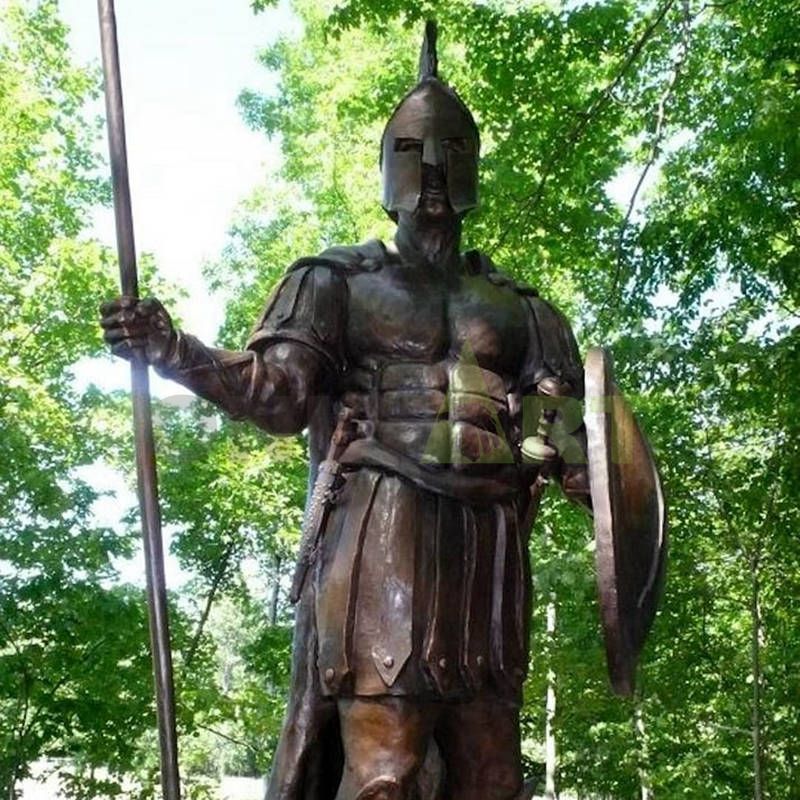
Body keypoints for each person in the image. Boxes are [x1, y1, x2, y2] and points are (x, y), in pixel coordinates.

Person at [101, 22, 592, 800]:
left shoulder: (524, 311)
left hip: (488, 552)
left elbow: (559, 438)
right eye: (411, 150)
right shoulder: (336, 282)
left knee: (494, 778)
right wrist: (173, 348)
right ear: (385, 166)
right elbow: (276, 393)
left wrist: (597, 480)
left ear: (474, 166)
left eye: (451, 150)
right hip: (378, 533)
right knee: (382, 778)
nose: (431, 169)